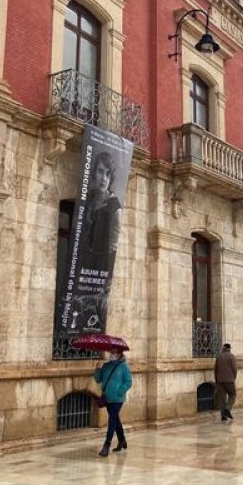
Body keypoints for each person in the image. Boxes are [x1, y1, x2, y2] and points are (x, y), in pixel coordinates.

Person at [79, 151, 123, 330]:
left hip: (100, 269)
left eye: (108, 174)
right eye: (100, 171)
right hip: (83, 262)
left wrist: (105, 280)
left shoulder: (114, 207)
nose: (104, 178)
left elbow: (113, 245)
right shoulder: (87, 198)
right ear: (93, 173)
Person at [94, 348, 133, 457]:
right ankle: (122, 440)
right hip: (107, 397)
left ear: (120, 352)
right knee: (115, 419)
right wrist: (98, 369)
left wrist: (120, 391)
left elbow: (128, 382)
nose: (111, 354)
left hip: (118, 399)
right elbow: (98, 379)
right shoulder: (106, 365)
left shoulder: (124, 366)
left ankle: (107, 445)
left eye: (114, 352)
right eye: (110, 351)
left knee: (112, 420)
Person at [214, 343, 238, 421]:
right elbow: (234, 369)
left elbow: (215, 370)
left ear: (223, 348)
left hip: (220, 381)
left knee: (222, 399)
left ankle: (223, 416)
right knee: (233, 395)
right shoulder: (231, 356)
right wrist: (233, 378)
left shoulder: (218, 357)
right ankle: (227, 409)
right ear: (229, 348)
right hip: (229, 380)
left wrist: (216, 380)